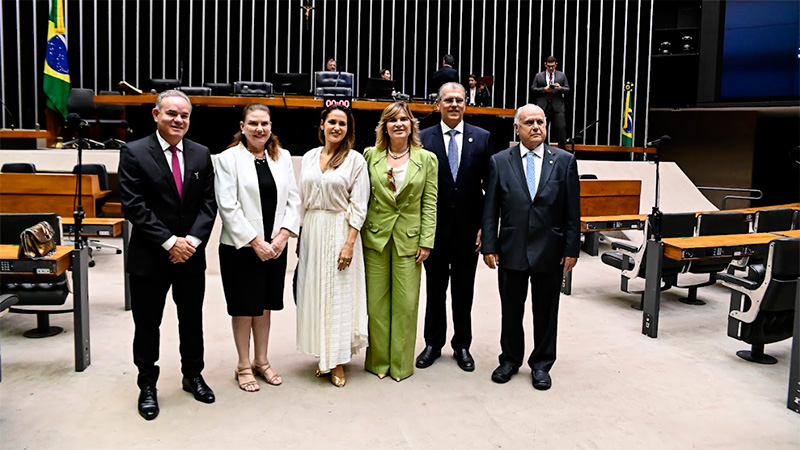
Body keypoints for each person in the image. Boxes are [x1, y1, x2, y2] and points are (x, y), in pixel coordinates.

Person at [118, 90, 218, 420]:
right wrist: (168, 242)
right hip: (149, 257)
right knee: (148, 325)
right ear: (155, 114)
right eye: (172, 113)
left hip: (190, 255)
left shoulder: (201, 154)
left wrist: (189, 241)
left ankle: (193, 375)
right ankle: (147, 384)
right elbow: (134, 205)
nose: (178, 120)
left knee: (192, 321)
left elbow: (208, 204)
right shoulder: (134, 152)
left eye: (184, 115)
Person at [481, 104, 580, 391]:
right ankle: (510, 360)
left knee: (546, 312)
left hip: (551, 250)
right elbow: (491, 209)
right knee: (511, 310)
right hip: (511, 249)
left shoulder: (564, 161)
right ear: (517, 128)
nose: (536, 127)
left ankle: (541, 364)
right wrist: (489, 244)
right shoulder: (500, 161)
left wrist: (571, 248)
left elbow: (573, 209)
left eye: (540, 122)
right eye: (529, 122)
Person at [214, 103, 300, 392]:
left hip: (275, 246)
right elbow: (228, 206)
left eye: (264, 123)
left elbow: (293, 199)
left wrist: (283, 236)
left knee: (264, 306)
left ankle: (261, 361)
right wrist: (255, 242)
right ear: (242, 126)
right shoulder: (227, 159)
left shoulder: (282, 157)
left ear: (271, 126)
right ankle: (242, 363)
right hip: (241, 247)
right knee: (243, 307)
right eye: (253, 123)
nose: (259, 128)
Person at [416, 82, 493, 373]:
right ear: (437, 105)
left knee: (464, 292)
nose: (454, 105)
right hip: (433, 233)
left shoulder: (482, 138)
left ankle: (462, 345)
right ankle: (433, 344)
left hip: (468, 233)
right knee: (435, 291)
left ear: (465, 104)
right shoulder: (422, 138)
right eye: (448, 100)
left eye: (459, 100)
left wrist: (486, 227)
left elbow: (491, 188)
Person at [362, 102, 438, 381]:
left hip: (410, 239)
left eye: (404, 119)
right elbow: (362, 197)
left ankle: (400, 365)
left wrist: (426, 240)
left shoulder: (427, 159)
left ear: (412, 125)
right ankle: (379, 362)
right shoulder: (371, 155)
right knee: (376, 304)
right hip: (376, 237)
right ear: (384, 126)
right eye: (392, 120)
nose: (398, 124)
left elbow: (429, 202)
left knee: (406, 304)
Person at [295, 105, 369, 388]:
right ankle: (323, 356)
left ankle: (337, 361)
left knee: (338, 295)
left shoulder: (355, 160)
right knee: (315, 293)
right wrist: (301, 236)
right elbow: (303, 199)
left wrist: (349, 243)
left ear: (348, 129)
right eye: (332, 122)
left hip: (340, 229)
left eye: (343, 123)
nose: (337, 127)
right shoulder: (311, 157)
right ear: (322, 124)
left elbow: (359, 206)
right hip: (313, 229)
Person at [530, 56, 570, 149]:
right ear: (545, 65)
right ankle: (543, 149)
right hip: (543, 106)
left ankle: (562, 150)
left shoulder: (561, 75)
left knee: (561, 128)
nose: (551, 68)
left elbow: (567, 89)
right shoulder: (539, 76)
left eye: (552, 66)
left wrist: (560, 88)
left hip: (558, 106)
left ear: (556, 64)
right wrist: (544, 89)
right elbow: (533, 89)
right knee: (542, 128)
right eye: (549, 66)